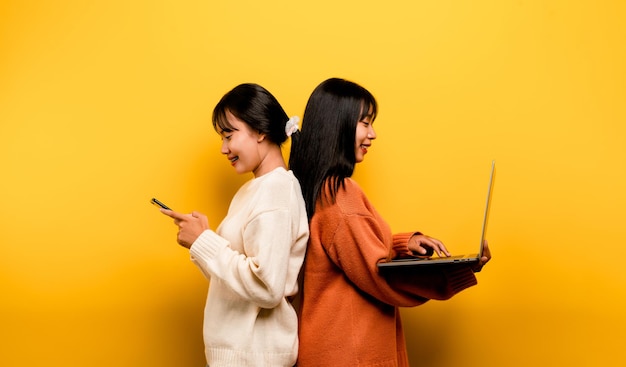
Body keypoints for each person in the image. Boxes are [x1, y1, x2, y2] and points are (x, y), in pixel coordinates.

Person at [288, 77, 492, 367]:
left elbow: (354, 255)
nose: (373, 134)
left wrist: (402, 244)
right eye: (365, 123)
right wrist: (458, 269)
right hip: (351, 355)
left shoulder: (315, 190)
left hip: (331, 349)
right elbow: (378, 276)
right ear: (339, 125)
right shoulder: (341, 197)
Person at [160, 83, 309, 367]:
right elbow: (234, 283)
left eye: (229, 135)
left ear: (261, 131)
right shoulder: (255, 189)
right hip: (241, 356)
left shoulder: (276, 190)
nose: (223, 148)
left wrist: (205, 242)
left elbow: (266, 288)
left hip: (255, 358)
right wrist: (201, 241)